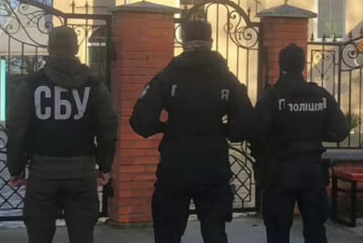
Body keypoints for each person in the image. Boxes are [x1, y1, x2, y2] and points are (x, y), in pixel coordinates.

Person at [130, 20, 254, 243]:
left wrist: (166, 127)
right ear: (211, 41)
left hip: (175, 165)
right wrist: (224, 130)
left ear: (183, 41)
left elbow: (141, 122)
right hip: (213, 165)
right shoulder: (227, 79)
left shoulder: (168, 76)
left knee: (167, 234)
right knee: (215, 233)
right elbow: (245, 122)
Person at [6, 26, 119, 243]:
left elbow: (17, 130)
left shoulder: (31, 85)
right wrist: (105, 166)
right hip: (82, 171)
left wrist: (16, 169)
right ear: (76, 48)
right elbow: (108, 129)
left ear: (49, 49)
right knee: (83, 235)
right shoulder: (94, 86)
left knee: (39, 234)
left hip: (43, 171)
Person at [254, 44, 348, 243]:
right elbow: (340, 130)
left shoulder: (271, 97)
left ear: (281, 66)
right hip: (312, 171)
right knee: (315, 231)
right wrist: (315, 133)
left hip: (278, 172)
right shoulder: (320, 95)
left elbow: (256, 133)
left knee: (278, 231)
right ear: (303, 66)